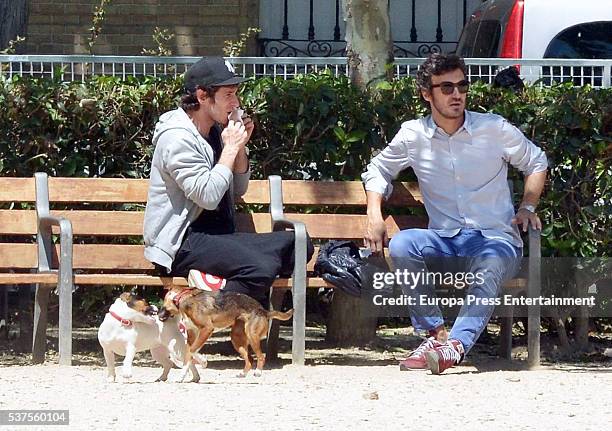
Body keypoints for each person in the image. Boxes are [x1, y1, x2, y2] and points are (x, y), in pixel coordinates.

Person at [362, 53, 548, 374]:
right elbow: (378, 170)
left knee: (489, 262)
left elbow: (536, 161)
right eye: (446, 87)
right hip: (445, 242)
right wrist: (374, 215)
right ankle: (435, 336)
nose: (457, 94)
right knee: (404, 244)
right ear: (426, 93)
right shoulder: (413, 135)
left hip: (496, 240)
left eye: (462, 85)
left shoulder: (493, 128)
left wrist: (527, 206)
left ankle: (456, 347)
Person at [143, 56, 313, 308]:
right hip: (184, 243)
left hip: (219, 238)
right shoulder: (177, 139)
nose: (236, 103)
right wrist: (231, 147)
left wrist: (239, 147)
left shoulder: (215, 130)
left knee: (299, 243)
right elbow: (208, 198)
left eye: (236, 94)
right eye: (229, 95)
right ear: (202, 96)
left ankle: (213, 285)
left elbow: (238, 188)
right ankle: (209, 312)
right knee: (260, 266)